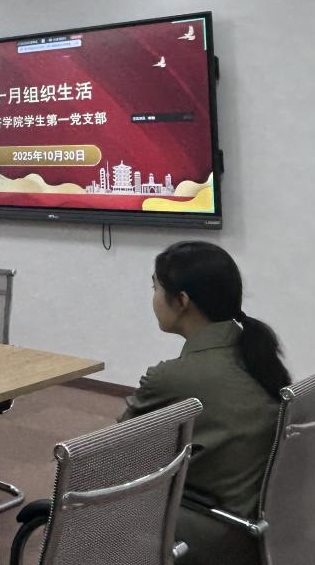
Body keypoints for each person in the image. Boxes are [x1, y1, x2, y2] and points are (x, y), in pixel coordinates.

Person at [120, 241, 290, 565]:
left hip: (217, 534)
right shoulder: (257, 355)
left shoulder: (171, 377)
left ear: (182, 301)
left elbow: (111, 457)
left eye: (155, 289)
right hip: (264, 523)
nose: (153, 299)